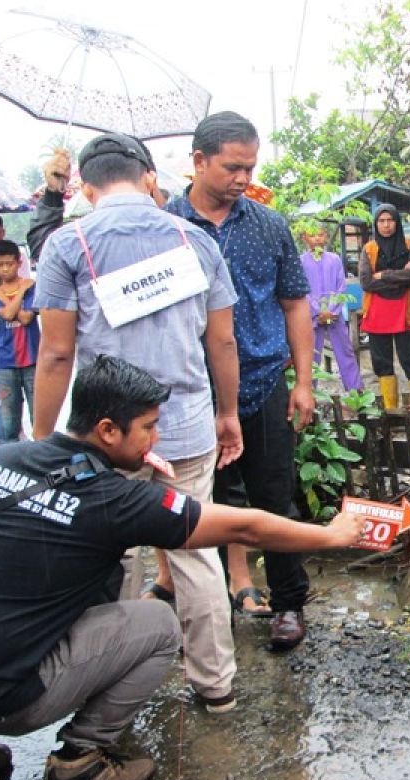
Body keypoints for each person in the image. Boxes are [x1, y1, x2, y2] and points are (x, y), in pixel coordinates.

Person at [0, 355, 365, 780]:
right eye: (147, 427)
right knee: (159, 625)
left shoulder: (0, 457)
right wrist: (331, 535)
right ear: (107, 430)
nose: (155, 439)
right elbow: (244, 525)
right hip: (4, 699)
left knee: (1, 605)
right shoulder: (116, 501)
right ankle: (79, 762)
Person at [33, 132, 245, 710]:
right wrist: (228, 414)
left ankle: (106, 694)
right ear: (149, 176)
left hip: (105, 437)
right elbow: (221, 339)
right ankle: (216, 684)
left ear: (84, 184)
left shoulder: (67, 244)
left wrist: (41, 438)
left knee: (109, 558)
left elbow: (54, 354)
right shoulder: (196, 241)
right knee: (195, 552)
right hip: (186, 425)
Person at [165, 111, 316, 649]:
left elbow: (295, 304)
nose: (243, 179)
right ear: (199, 161)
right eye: (232, 167)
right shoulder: (167, 226)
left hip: (261, 379)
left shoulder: (267, 224)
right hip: (189, 390)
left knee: (275, 494)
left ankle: (290, 604)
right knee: (198, 504)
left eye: (250, 168)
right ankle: (207, 613)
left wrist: (303, 381)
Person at [360, 204, 410, 409]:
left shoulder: (409, 246)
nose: (386, 225)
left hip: (404, 310)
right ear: (376, 224)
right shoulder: (369, 249)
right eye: (381, 221)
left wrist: (384, 275)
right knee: (382, 363)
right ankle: (391, 410)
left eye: (390, 220)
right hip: (377, 312)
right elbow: (366, 282)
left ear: (397, 222)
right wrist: (401, 275)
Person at [0, 240, 40, 444]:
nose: (6, 268)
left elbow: (26, 318)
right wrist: (16, 295)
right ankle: (7, 456)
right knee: (8, 417)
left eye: (10, 263)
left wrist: (8, 297)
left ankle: (41, 455)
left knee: (38, 414)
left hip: (32, 358)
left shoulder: (32, 287)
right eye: (0, 264)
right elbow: (8, 314)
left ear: (19, 263)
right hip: (6, 360)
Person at [301, 222, 363, 391]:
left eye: (320, 235)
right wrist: (318, 311)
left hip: (334, 316)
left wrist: (332, 310)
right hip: (312, 317)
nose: (317, 239)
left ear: (326, 237)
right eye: (312, 235)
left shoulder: (334, 260)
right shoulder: (300, 262)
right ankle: (309, 392)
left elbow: (340, 287)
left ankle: (355, 391)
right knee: (311, 356)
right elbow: (303, 291)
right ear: (305, 238)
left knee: (345, 352)